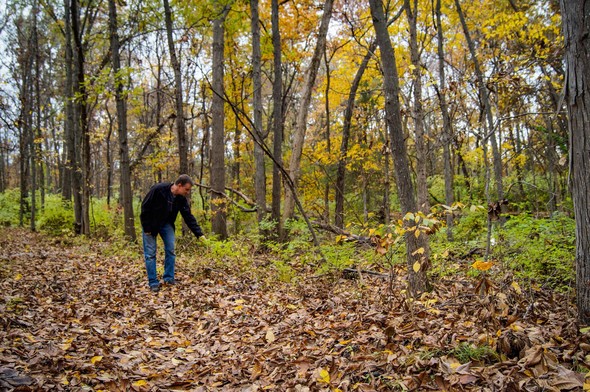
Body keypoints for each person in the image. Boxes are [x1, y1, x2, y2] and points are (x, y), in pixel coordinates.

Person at [140, 174, 206, 292]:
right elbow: (145, 207)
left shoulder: (181, 199)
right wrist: (147, 227)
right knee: (150, 254)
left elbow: (188, 216)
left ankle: (169, 278)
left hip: (166, 224)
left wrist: (199, 234)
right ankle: (153, 282)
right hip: (151, 224)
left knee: (171, 250)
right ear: (179, 185)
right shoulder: (158, 189)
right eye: (186, 189)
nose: (187, 192)